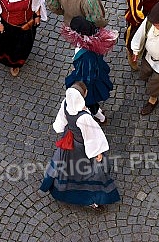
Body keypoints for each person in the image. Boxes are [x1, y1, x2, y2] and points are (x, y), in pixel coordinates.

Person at [40, 83, 120, 212]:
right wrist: (97, 153)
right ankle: (91, 199)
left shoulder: (66, 103)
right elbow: (92, 136)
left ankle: (62, 190)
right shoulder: (84, 118)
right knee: (89, 173)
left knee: (67, 168)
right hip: (81, 147)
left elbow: (59, 125)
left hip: (70, 141)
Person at [63, 16, 118, 124]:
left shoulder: (86, 55)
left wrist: (77, 77)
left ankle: (101, 118)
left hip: (88, 84)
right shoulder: (91, 41)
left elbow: (87, 76)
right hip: (94, 75)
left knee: (90, 103)